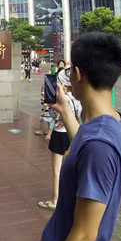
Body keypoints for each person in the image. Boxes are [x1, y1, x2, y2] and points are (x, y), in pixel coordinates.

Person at [35, 32, 121, 241]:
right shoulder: (115, 123)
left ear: (77, 74)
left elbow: (84, 235)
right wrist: (65, 110)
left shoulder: (99, 146)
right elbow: (83, 147)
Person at [37, 69, 82, 212]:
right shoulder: (76, 99)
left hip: (58, 134)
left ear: (64, 85)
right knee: (67, 168)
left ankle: (55, 200)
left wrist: (50, 106)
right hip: (72, 134)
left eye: (60, 82)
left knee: (57, 170)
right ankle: (67, 197)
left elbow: (55, 117)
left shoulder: (62, 100)